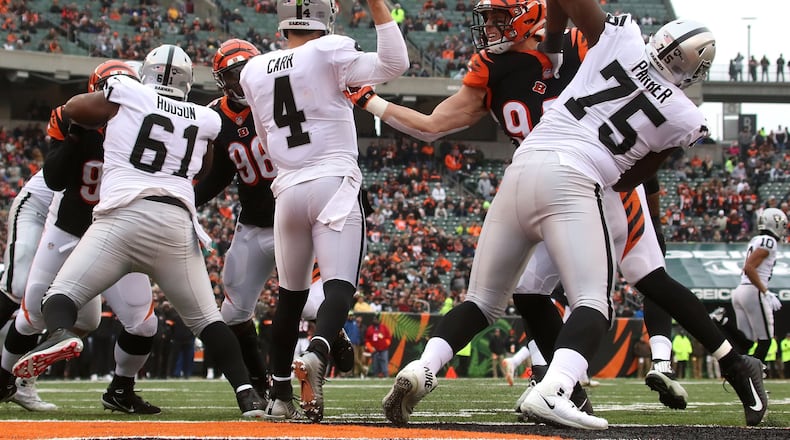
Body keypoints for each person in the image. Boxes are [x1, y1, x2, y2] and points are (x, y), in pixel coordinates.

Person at [370, 0, 765, 430]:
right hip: (585, 183)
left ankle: (425, 367)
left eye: (502, 18)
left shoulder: (615, 40)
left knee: (489, 299)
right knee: (598, 298)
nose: (493, 28)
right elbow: (635, 174)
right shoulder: (684, 113)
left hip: (525, 167)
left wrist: (554, 43)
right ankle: (560, 388)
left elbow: (434, 124)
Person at [11, 45, 266, 418]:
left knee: (60, 297)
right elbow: (207, 165)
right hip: (176, 223)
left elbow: (75, 109)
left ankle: (63, 334)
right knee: (209, 321)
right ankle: (248, 396)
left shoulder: (128, 93)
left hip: (120, 217)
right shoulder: (203, 116)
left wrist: (101, 110)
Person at [238, 0, 408, 423]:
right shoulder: (329, 48)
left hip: (288, 188)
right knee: (338, 287)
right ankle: (318, 351)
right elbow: (395, 62)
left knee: (290, 298)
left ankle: (278, 397)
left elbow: (264, 134)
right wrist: (378, 7)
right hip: (332, 180)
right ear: (324, 17)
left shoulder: (253, 69)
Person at [196, 38, 352, 401]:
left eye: (242, 74)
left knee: (313, 304)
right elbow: (220, 172)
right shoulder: (216, 115)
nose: (238, 83)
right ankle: (261, 384)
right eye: (230, 77)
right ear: (221, 81)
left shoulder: (277, 99)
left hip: (292, 217)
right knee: (233, 312)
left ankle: (331, 335)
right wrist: (187, 197)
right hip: (252, 223)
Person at [0, 171, 57, 411]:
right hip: (41, 208)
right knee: (19, 285)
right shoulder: (88, 137)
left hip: (80, 224)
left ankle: (22, 382)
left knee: (87, 318)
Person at [730, 208, 786, 364]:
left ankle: (742, 381)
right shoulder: (769, 241)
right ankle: (754, 381)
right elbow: (749, 268)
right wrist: (765, 291)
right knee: (765, 341)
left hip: (740, 290)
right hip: (753, 291)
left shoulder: (756, 239)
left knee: (745, 343)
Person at [365, 313, 392, 377]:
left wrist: (385, 344)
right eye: (374, 320)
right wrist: (371, 348)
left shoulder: (384, 327)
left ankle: (386, 375)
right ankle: (375, 375)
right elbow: (367, 340)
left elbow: (389, 337)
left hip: (383, 349)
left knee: (384, 362)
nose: (375, 321)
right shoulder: (370, 329)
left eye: (376, 320)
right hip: (374, 350)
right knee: (375, 363)